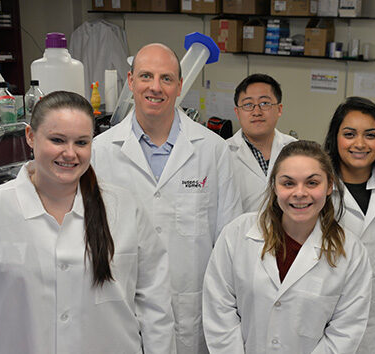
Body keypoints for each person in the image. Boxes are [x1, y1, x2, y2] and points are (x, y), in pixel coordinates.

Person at [0, 91, 175, 353]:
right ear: (30, 136)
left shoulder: (125, 209)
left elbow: (156, 306)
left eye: (81, 142)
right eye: (57, 140)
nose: (70, 153)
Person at [91, 43, 242, 354]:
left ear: (180, 86)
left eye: (166, 78)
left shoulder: (212, 150)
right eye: (146, 76)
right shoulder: (99, 152)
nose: (155, 87)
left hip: (192, 310)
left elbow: (230, 243)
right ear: (130, 82)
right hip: (121, 305)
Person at [203, 140, 373, 353]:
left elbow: (345, 330)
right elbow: (219, 309)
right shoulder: (237, 234)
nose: (300, 193)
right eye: (288, 183)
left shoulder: (351, 252)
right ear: (274, 186)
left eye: (312, 183)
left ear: (329, 186)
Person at [323, 96, 375, 354]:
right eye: (349, 134)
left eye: (370, 135)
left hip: (372, 306)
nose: (359, 143)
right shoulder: (318, 186)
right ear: (335, 138)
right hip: (323, 305)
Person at [227, 73, 296, 213]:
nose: (256, 112)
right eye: (248, 104)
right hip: (240, 233)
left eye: (265, 103)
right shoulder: (223, 153)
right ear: (237, 112)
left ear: (279, 109)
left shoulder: (295, 149)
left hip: (288, 232)